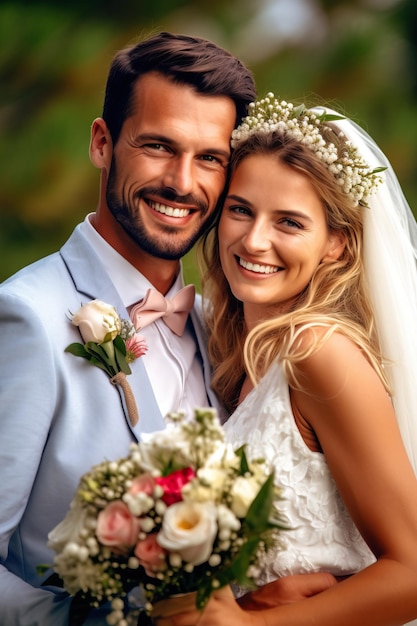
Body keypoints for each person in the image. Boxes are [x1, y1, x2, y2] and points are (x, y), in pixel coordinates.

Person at [0, 31, 258, 626]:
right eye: (159, 146)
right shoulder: (27, 318)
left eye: (210, 158)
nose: (183, 182)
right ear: (101, 142)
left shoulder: (221, 330)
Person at [165, 95, 417, 625]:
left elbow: (412, 571)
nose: (254, 240)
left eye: (290, 223)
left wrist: (253, 624)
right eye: (240, 210)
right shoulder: (232, 353)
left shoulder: (319, 352)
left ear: (337, 246)